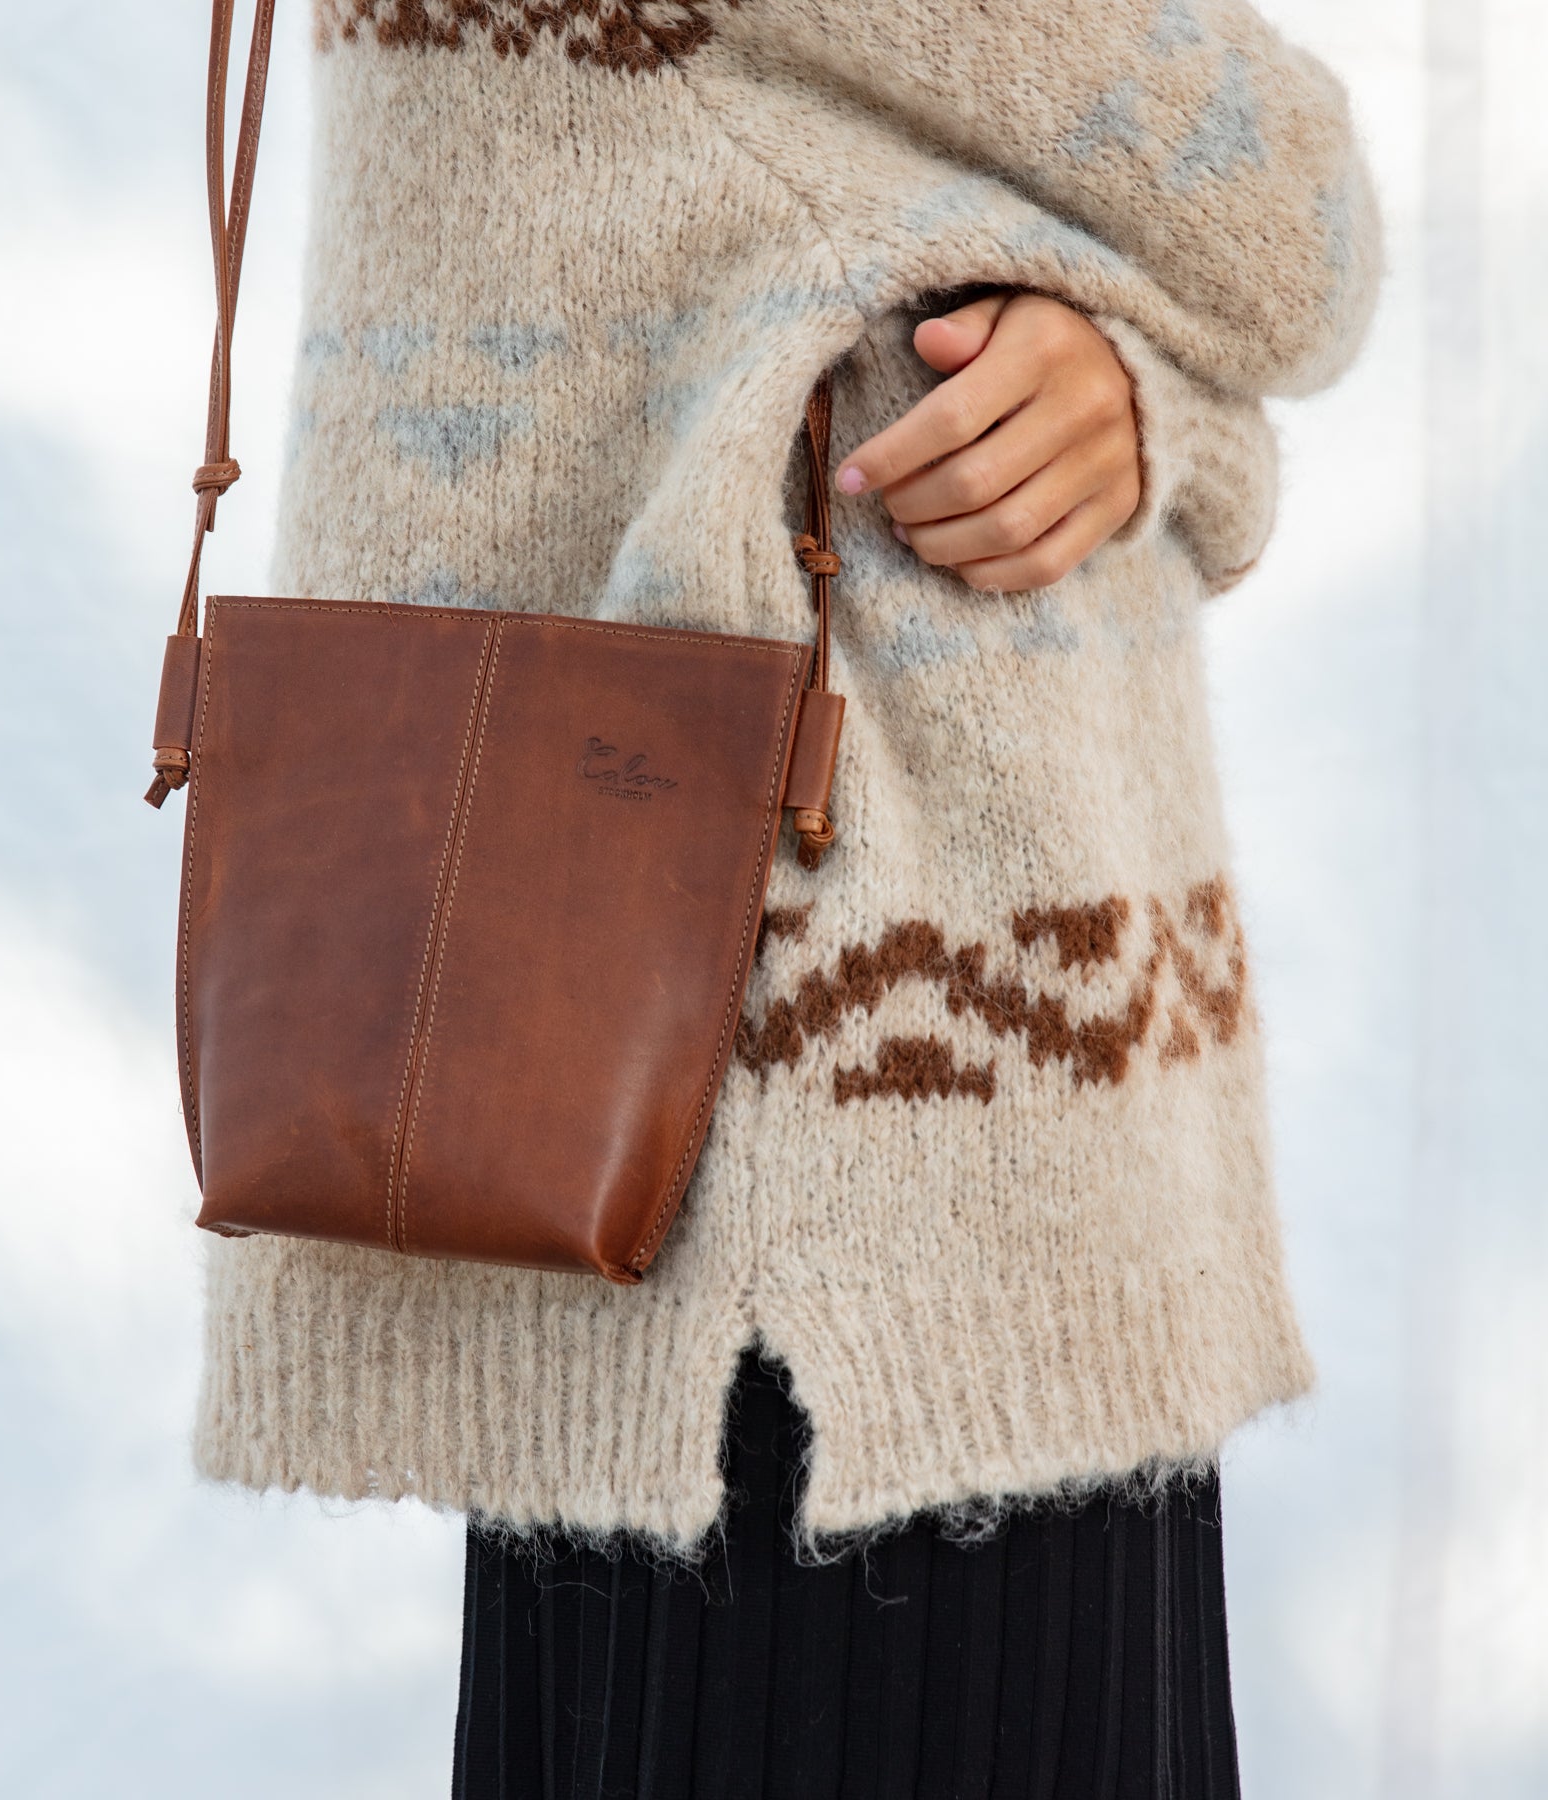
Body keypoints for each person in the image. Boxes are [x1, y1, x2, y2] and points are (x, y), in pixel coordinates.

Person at [191, 2, 1381, 1792]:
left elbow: (784, 225)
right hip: (844, 1218)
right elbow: (1289, 218)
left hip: (704, 1125)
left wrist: (1163, 417)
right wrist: (1185, 408)